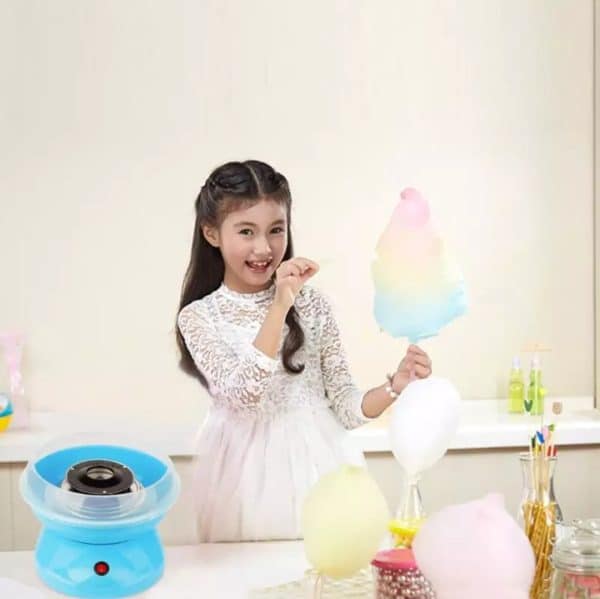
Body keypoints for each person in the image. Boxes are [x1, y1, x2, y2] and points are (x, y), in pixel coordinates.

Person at [176, 160, 432, 542]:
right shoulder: (199, 317)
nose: (264, 248)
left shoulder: (312, 305)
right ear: (211, 233)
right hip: (245, 481)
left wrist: (395, 385)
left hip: (320, 467)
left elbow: (344, 406)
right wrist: (280, 305)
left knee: (327, 565)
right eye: (246, 231)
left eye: (276, 230)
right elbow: (244, 395)